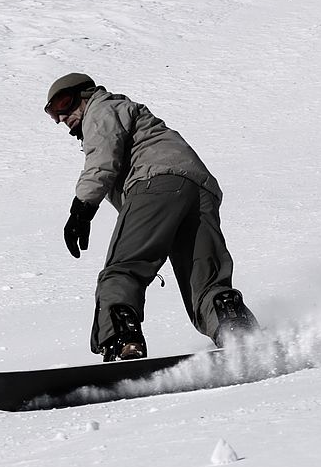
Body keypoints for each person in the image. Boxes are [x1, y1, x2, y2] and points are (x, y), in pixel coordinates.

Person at [45, 73, 258, 361]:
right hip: (199, 190)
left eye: (64, 102)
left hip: (154, 184)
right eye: (53, 112)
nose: (62, 116)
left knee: (123, 269)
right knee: (205, 280)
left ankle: (123, 341)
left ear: (85, 93)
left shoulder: (101, 109)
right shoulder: (128, 113)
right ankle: (237, 330)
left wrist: (81, 209)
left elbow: (102, 160)